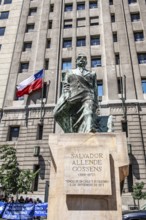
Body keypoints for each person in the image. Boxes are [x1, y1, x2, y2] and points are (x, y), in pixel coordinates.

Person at [54, 54, 98, 133]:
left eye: (84, 58)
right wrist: (66, 94)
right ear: (76, 61)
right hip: (73, 96)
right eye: (79, 58)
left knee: (88, 111)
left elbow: (95, 89)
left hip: (87, 95)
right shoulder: (70, 72)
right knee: (57, 113)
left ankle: (89, 128)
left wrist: (96, 103)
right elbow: (66, 85)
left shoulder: (92, 74)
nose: (82, 59)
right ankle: (71, 130)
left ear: (86, 61)